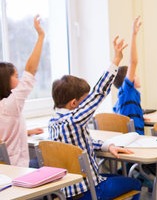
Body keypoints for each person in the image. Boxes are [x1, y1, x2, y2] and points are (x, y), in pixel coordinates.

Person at [48, 36, 141, 199]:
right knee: (135, 184)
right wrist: (116, 60)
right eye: (85, 101)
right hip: (90, 191)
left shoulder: (53, 123)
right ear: (74, 103)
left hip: (66, 193)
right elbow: (98, 93)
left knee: (115, 177)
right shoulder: (74, 120)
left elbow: (79, 144)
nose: (87, 105)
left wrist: (106, 146)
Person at [0, 15, 44, 167]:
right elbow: (31, 70)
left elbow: (3, 136)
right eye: (16, 76)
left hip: (5, 170)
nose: (19, 80)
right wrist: (41, 36)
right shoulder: (9, 105)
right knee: (48, 159)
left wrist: (26, 132)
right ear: (5, 80)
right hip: (17, 168)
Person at [113, 16, 145, 135]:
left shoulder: (120, 100)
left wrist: (140, 115)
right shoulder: (128, 92)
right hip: (136, 141)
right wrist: (134, 34)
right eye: (134, 75)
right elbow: (133, 62)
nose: (137, 76)